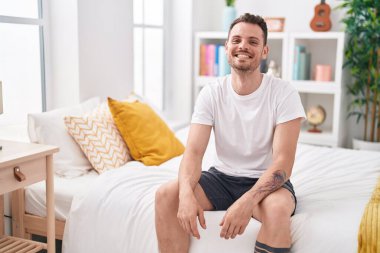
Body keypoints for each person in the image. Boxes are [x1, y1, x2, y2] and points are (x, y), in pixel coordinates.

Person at [155, 13, 305, 253]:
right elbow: (193, 152)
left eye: (253, 42)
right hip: (221, 179)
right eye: (236, 40)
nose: (243, 46)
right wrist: (184, 193)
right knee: (166, 195)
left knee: (277, 211)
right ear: (226, 48)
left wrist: (246, 201)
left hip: (266, 181)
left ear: (265, 51)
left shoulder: (283, 93)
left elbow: (283, 162)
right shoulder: (211, 92)